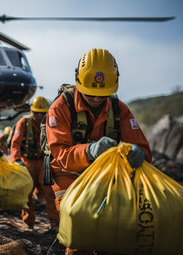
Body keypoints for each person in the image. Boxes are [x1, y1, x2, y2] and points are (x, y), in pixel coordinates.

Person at [46, 49, 152, 255]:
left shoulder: (119, 109)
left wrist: (139, 154)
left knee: (110, 231)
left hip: (104, 176)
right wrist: (90, 150)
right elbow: (61, 157)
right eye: (90, 93)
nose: (96, 98)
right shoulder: (60, 108)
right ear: (78, 81)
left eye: (102, 94)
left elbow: (142, 148)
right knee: (80, 223)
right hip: (67, 175)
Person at [11, 96, 60, 230]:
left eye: (42, 113)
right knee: (26, 193)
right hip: (27, 163)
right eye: (36, 112)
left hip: (44, 162)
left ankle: (55, 222)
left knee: (50, 192)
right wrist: (16, 160)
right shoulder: (23, 122)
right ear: (32, 111)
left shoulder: (50, 122)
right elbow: (15, 143)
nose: (39, 116)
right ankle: (28, 223)